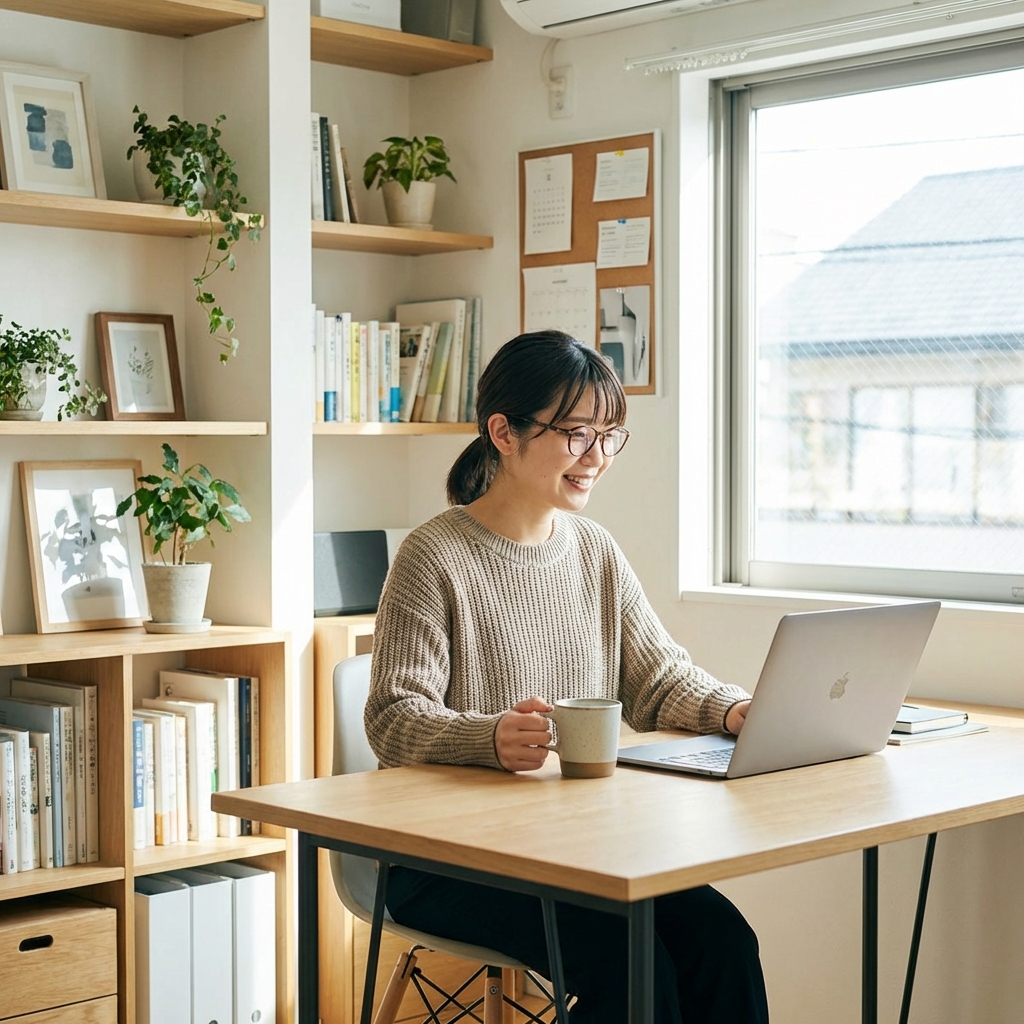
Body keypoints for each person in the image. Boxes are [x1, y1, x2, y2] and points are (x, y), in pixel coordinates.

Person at [365, 330, 770, 1023]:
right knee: (632, 968)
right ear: (504, 432)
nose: (598, 458)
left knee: (722, 940)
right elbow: (393, 718)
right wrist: (488, 737)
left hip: (576, 850)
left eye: (611, 436)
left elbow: (659, 679)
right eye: (580, 434)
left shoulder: (594, 550)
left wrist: (733, 710)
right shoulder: (432, 555)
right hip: (447, 860)